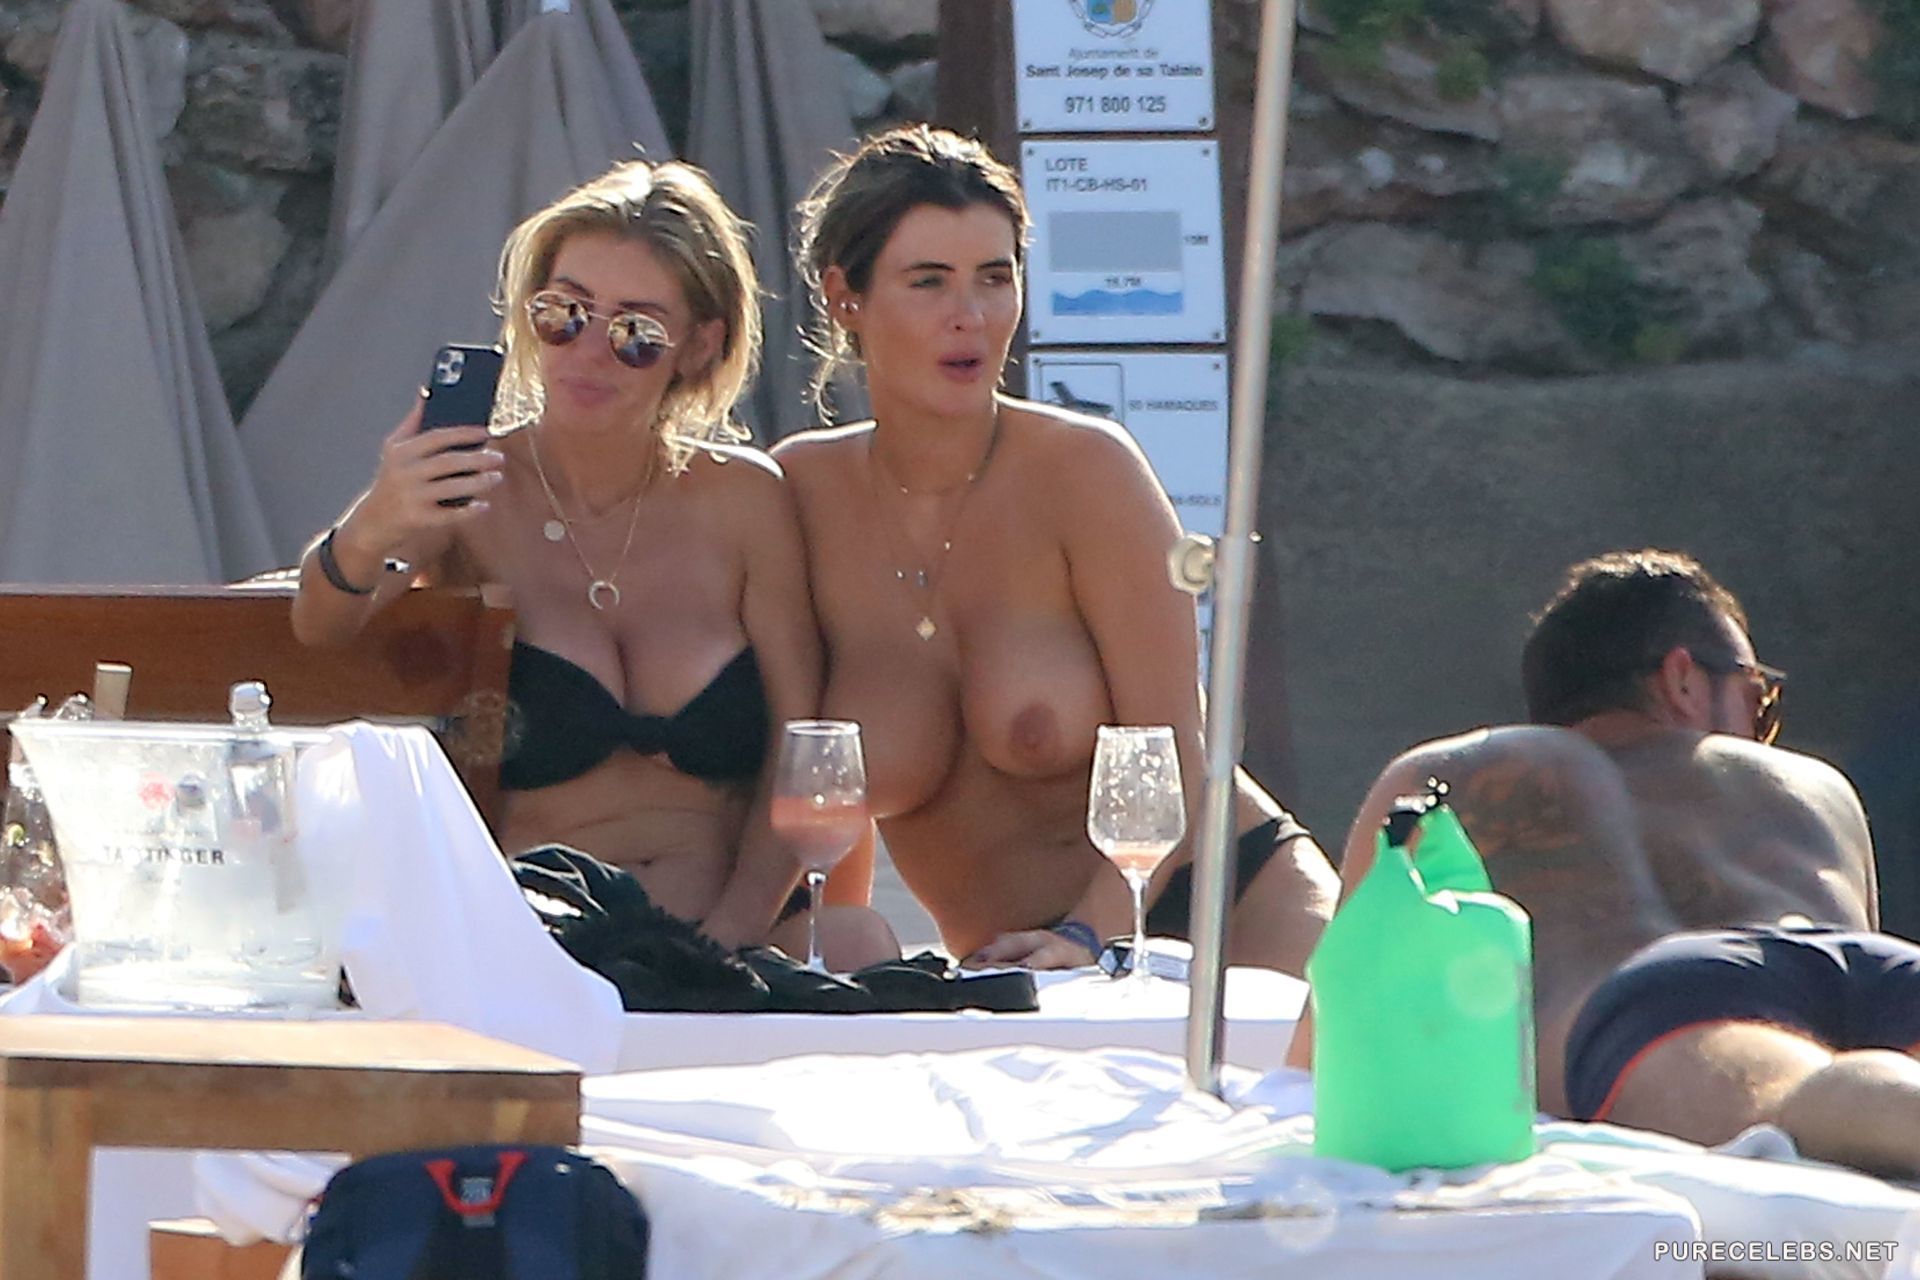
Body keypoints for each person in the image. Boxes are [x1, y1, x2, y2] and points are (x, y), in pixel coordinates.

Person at [292, 159, 896, 970]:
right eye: (562, 314)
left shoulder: (745, 501)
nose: (589, 350)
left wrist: (723, 942)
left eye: (635, 332)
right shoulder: (475, 491)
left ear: (700, 344)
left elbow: (802, 745)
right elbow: (319, 625)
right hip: (542, 941)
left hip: (729, 933)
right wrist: (377, 521)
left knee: (860, 940)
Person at [770, 125, 1337, 975]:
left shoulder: (1085, 470)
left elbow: (1180, 753)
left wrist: (1085, 937)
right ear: (845, 297)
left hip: (1221, 907)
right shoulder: (799, 493)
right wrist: (835, 945)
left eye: (995, 278)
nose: (970, 316)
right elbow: (817, 789)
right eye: (928, 282)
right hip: (1015, 971)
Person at [1301, 548, 1920, 1177]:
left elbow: (1328, 1036)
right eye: (1756, 699)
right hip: (1874, 966)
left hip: (1665, 995)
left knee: (1801, 1102)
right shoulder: (1816, 782)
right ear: (1682, 679)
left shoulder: (1454, 769)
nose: (1761, 729)